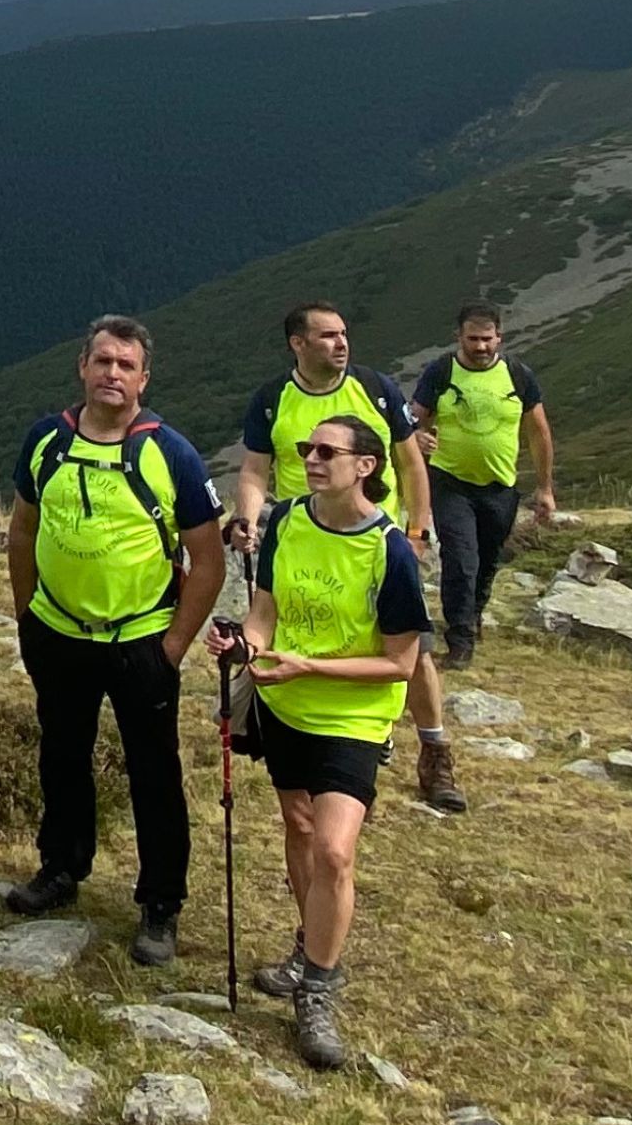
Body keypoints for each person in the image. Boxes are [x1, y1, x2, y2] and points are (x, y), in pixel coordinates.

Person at [0, 315, 225, 967]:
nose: (113, 375)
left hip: (141, 640)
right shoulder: (46, 442)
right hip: (59, 633)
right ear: (82, 367)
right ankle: (61, 869)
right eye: (103, 361)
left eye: (126, 366)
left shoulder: (171, 454)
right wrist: (28, 619)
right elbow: (21, 531)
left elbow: (206, 561)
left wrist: (173, 646)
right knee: (61, 755)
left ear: (144, 378)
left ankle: (160, 904)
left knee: (154, 772)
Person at [217, 412, 431, 1069]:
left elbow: (400, 662)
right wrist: (244, 644)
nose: (310, 459)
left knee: (336, 851)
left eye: (326, 452)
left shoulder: (388, 550)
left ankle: (317, 988)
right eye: (307, 449)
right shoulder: (284, 523)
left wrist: (310, 665)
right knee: (301, 826)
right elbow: (265, 612)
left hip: (355, 716)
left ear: (365, 466)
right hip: (285, 703)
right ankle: (308, 945)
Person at [233, 303, 464, 815]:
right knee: (287, 634)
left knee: (413, 651)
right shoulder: (273, 400)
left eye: (344, 335)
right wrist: (247, 520)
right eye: (328, 336)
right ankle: (312, 737)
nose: (341, 344)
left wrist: (417, 531)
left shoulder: (376, 387)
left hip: (375, 545)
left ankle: (433, 748)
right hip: (303, 538)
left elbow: (410, 461)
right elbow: (254, 470)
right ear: (298, 343)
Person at [406, 305, 555, 670]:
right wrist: (418, 436)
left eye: (487, 339)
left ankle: (473, 616)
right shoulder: (441, 372)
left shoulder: (518, 375)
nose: (481, 347)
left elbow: (538, 432)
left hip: (501, 487)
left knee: (487, 562)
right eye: (473, 339)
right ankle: (460, 641)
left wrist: (545, 488)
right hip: (450, 483)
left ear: (499, 338)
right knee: (461, 559)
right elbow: (411, 419)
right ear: (460, 338)